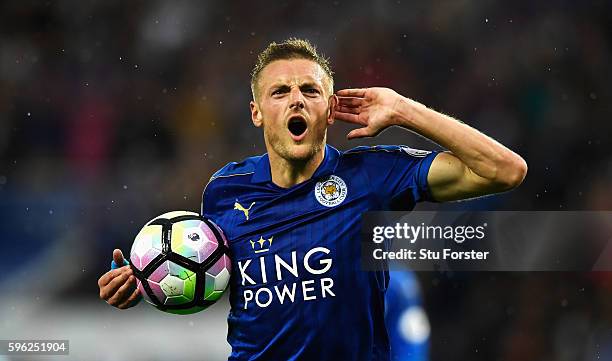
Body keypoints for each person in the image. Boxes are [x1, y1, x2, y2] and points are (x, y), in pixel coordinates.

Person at [98, 38, 527, 360]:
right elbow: (205, 276)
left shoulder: (371, 177)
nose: (296, 99)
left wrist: (402, 110)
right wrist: (146, 283)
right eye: (279, 92)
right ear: (257, 112)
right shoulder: (225, 191)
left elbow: (505, 170)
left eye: (310, 90)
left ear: (331, 107)